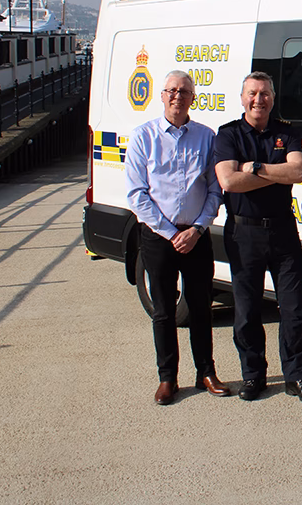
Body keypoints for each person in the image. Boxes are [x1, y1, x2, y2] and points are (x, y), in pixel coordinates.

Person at [124, 70, 229, 405]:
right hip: (159, 237)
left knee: (201, 308)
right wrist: (172, 234)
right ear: (162, 96)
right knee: (164, 312)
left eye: (184, 91)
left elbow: (215, 189)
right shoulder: (143, 137)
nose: (177, 96)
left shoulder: (206, 136)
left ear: (193, 98)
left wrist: (197, 229)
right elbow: (137, 194)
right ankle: (168, 378)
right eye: (171, 91)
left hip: (196, 237)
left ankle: (206, 372)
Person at [214, 71, 302, 403]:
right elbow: (229, 182)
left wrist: (255, 168)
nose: (258, 100)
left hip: (282, 230)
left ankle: (297, 377)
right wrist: (276, 175)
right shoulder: (228, 134)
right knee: (246, 311)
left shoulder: (287, 132)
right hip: (243, 231)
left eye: (265, 94)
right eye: (252, 94)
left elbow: (298, 172)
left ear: (273, 98)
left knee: (294, 310)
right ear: (242, 97)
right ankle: (253, 375)